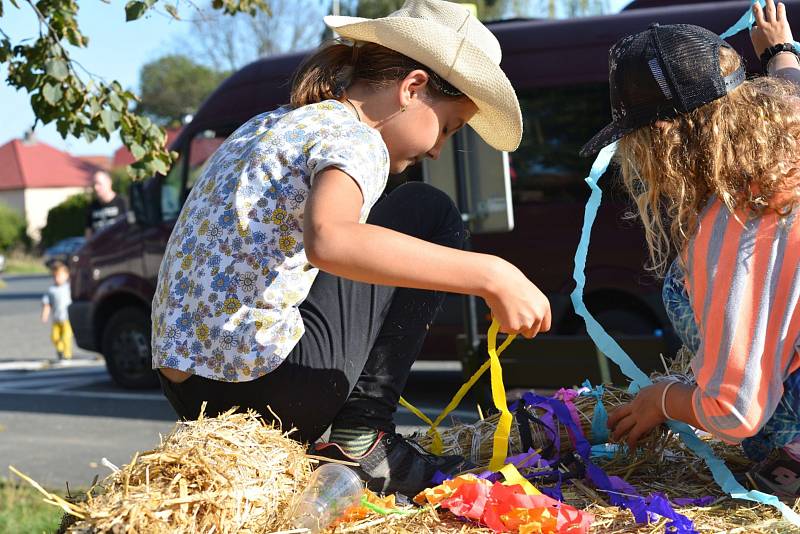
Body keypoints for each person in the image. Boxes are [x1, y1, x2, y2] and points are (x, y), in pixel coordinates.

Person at [151, 0, 551, 497]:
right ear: (413, 88)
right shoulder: (356, 136)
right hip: (265, 390)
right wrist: (492, 273)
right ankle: (366, 436)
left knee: (390, 222)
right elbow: (332, 240)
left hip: (190, 390)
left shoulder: (273, 124)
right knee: (428, 211)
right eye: (446, 127)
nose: (437, 149)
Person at [584, 1, 800, 497]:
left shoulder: (735, 224)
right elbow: (790, 87)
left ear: (663, 137)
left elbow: (734, 412)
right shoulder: (788, 130)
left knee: (681, 287)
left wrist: (662, 399)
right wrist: (781, 51)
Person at [41, 261, 73, 361]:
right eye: (55, 276)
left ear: (66, 275)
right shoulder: (51, 290)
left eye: (59, 275)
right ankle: (59, 349)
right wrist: (45, 315)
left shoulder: (69, 288)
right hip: (56, 319)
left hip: (67, 319)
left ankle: (67, 355)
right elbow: (47, 304)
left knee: (66, 337)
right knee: (54, 337)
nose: (57, 278)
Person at [85, 170, 127, 237]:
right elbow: (88, 234)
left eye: (99, 183)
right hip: (99, 247)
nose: (96, 188)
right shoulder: (92, 207)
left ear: (109, 182)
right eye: (94, 184)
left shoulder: (123, 202)